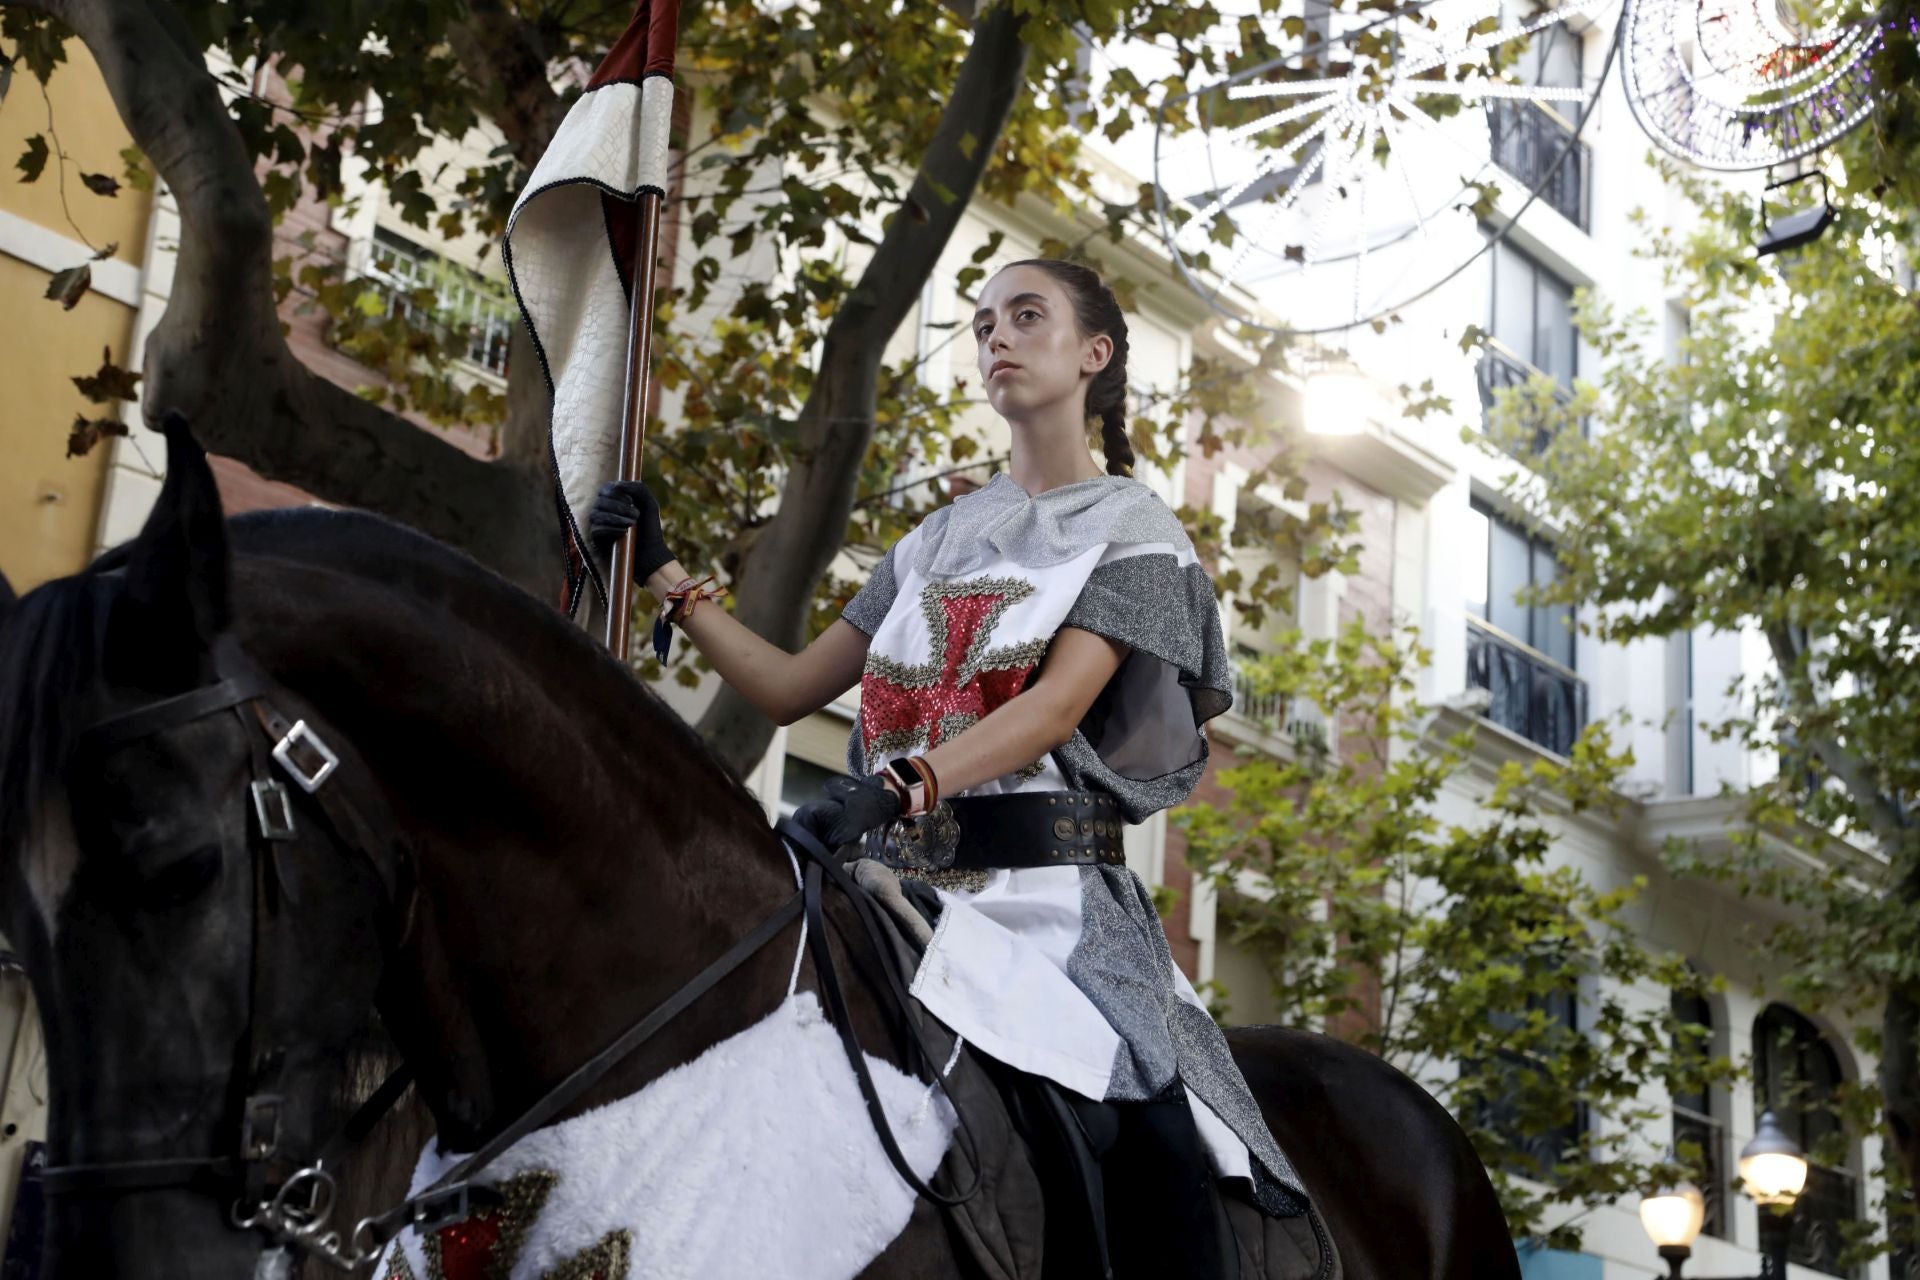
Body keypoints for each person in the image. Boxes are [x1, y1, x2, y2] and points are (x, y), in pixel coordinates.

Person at [588, 259, 1305, 1277]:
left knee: (1152, 1133)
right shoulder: (933, 539)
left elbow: (1053, 709)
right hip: (893, 884)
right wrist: (666, 573)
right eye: (982, 324)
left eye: (1026, 316)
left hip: (1050, 905)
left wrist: (896, 784)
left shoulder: (1135, 528)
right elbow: (789, 687)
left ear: (1094, 354)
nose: (996, 337)